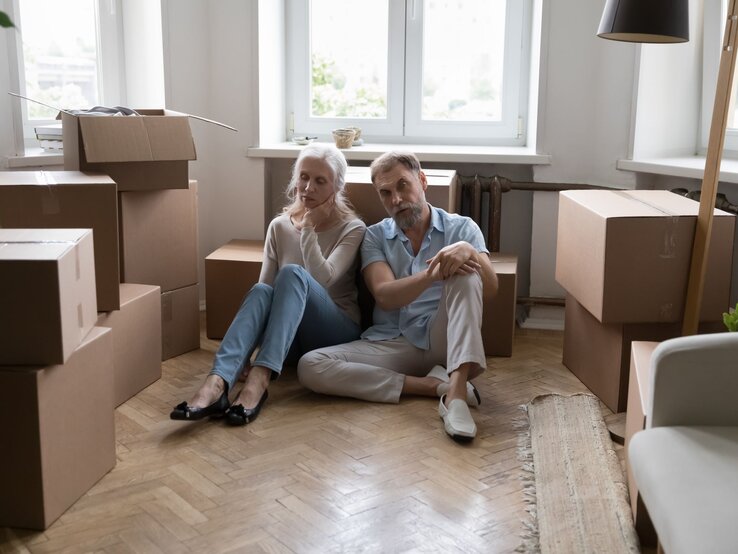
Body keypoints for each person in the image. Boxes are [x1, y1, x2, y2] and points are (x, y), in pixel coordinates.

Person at [298, 151, 498, 441]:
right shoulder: (374, 236)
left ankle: (455, 397)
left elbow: (490, 289)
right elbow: (385, 296)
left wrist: (469, 252)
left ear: (422, 181)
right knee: (310, 366)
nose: (396, 199)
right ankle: (433, 386)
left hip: (444, 338)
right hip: (393, 342)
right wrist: (431, 275)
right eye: (386, 193)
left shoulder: (461, 228)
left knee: (466, 270)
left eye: (403, 185)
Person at [171, 144, 366, 425]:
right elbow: (264, 293)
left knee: (293, 274)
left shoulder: (353, 228)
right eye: (303, 177)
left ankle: (259, 381)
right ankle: (217, 383)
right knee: (263, 290)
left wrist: (309, 228)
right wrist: (247, 351)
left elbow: (323, 278)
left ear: (337, 186)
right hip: (287, 343)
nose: (307, 187)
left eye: (320, 181)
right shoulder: (279, 226)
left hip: (332, 334)